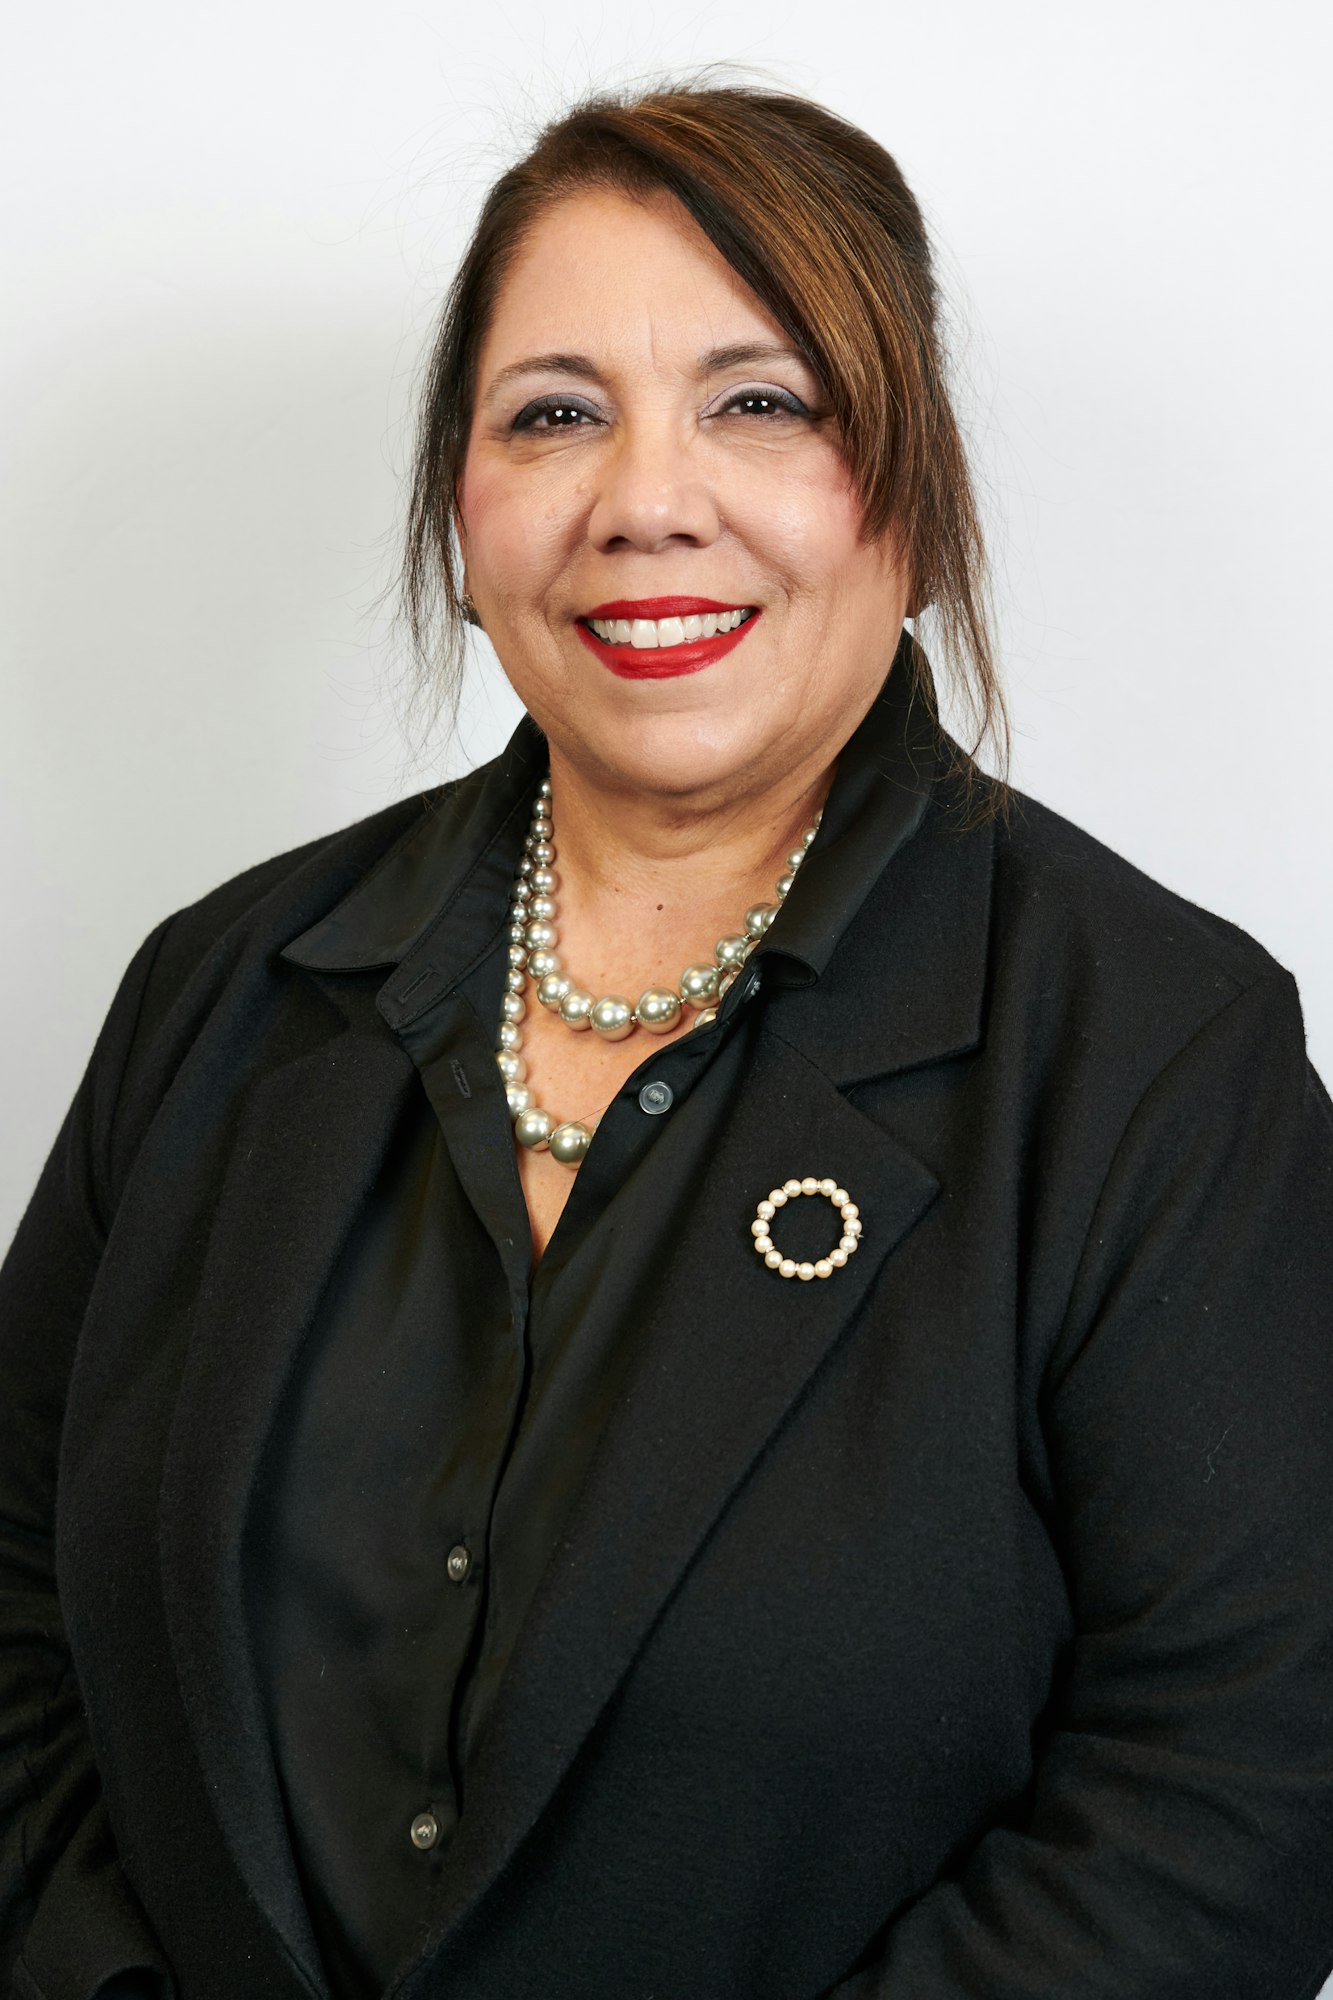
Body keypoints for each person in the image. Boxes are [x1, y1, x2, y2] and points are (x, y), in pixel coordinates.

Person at [2, 78, 1332, 2000]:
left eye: (757, 402)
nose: (643, 501)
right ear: (462, 514)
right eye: (552, 414)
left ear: (918, 499)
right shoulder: (219, 990)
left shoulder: (1154, 1055)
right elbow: (9, 1608)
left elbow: (1244, 1785)